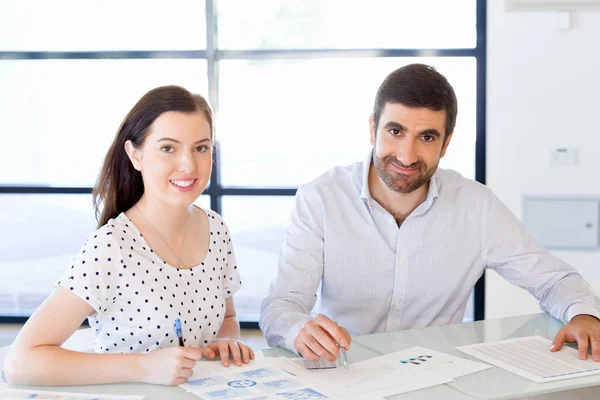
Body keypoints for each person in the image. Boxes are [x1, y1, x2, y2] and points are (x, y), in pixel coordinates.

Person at [260, 63, 600, 364]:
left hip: (438, 378)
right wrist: (299, 330)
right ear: (372, 128)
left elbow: (555, 280)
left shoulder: (476, 205)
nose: (407, 156)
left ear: (446, 143)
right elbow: (281, 306)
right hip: (344, 372)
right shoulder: (321, 198)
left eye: (426, 137)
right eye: (395, 132)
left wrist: (585, 315)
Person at [4, 85, 254, 386]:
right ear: (135, 155)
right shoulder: (111, 246)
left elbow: (227, 320)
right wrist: (143, 368)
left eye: (201, 148)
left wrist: (222, 343)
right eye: (168, 148)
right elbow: (21, 362)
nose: (188, 165)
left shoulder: (217, 230)